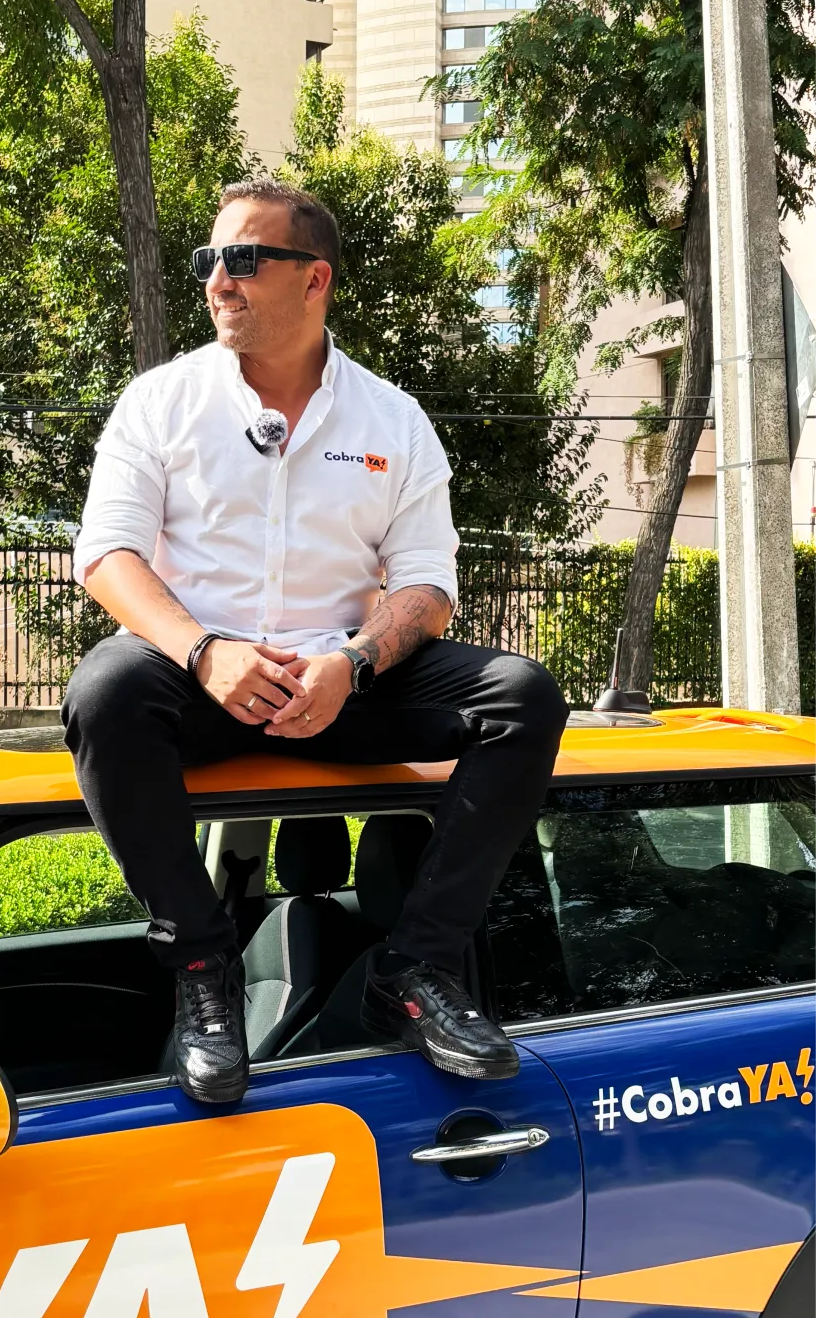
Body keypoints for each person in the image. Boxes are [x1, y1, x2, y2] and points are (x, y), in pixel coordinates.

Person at [62, 179, 569, 1107]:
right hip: (197, 686)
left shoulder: (392, 420)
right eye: (210, 260)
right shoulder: (161, 401)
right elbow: (106, 554)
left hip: (345, 690)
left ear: (314, 278)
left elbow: (428, 585)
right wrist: (206, 651)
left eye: (243, 259)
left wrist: (353, 662)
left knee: (523, 695)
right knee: (105, 690)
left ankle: (415, 971)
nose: (218, 279)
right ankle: (204, 969)